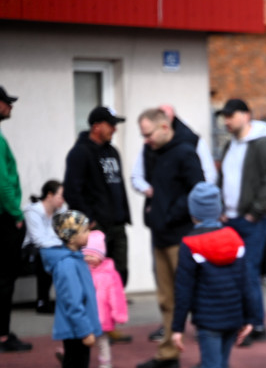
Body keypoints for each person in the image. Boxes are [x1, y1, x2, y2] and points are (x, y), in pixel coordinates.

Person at [171, 182, 259, 368]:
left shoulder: (190, 244)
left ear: (193, 213)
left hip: (208, 319)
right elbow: (247, 282)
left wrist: (176, 327)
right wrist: (251, 318)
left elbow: (183, 290)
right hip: (232, 316)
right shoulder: (234, 239)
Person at [130, 104, 218, 345]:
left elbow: (198, 190)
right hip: (159, 234)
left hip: (180, 236)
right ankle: (168, 351)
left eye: (148, 134)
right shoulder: (153, 152)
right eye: (143, 136)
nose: (146, 141)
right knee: (165, 298)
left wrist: (171, 213)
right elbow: (149, 187)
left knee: (193, 290)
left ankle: (208, 346)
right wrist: (153, 213)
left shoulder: (186, 152)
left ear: (165, 127)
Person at [216, 98, 266, 344]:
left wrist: (255, 211)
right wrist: (221, 207)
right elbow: (223, 177)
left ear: (246, 115)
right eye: (225, 117)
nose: (227, 121)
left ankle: (256, 323)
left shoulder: (262, 145)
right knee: (232, 272)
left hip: (250, 220)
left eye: (231, 116)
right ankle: (239, 321)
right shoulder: (229, 146)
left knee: (249, 271)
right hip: (229, 219)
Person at [41, 210, 106, 368]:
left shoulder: (74, 259)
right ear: (70, 236)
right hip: (75, 329)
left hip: (76, 328)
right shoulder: (67, 264)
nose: (88, 233)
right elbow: (73, 301)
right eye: (84, 230)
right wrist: (85, 331)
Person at [63, 105, 132, 289]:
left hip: (117, 224)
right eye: (111, 125)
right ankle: (97, 314)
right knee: (95, 275)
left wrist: (124, 215)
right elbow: (71, 191)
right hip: (96, 227)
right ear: (96, 127)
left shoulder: (113, 152)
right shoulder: (80, 153)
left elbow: (118, 185)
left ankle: (112, 312)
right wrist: (90, 219)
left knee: (120, 272)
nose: (115, 129)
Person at [0, 85, 33, 353]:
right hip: (4, 219)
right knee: (5, 278)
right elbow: (2, 183)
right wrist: (16, 214)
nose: (10, 107)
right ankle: (2, 335)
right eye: (6, 103)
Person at [82, 230, 128, 368]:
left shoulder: (109, 274)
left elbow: (116, 296)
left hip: (102, 316)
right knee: (81, 339)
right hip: (86, 315)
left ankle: (105, 362)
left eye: (93, 255)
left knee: (102, 341)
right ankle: (74, 359)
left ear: (101, 256)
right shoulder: (83, 272)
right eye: (86, 254)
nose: (89, 258)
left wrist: (118, 314)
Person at [22, 180, 66, 314]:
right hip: (28, 254)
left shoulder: (59, 211)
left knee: (69, 254)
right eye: (60, 196)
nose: (63, 201)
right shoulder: (32, 211)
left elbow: (62, 235)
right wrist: (61, 246)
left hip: (49, 248)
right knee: (47, 253)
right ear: (49, 195)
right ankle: (42, 302)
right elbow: (38, 239)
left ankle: (69, 299)